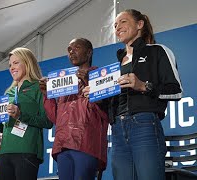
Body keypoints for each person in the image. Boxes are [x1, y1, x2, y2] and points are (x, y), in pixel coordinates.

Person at [84, 9, 183, 180]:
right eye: (115, 25)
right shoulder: (115, 66)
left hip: (144, 125)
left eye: (123, 22)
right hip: (117, 131)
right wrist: (97, 97)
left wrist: (143, 86)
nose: (117, 27)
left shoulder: (158, 51)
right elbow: (110, 105)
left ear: (139, 24)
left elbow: (176, 91)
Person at [39, 38, 109, 180]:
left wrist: (89, 82)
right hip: (63, 144)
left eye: (76, 48)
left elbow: (106, 111)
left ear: (89, 53)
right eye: (69, 50)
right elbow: (55, 117)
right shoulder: (64, 82)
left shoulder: (101, 76)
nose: (71, 52)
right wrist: (47, 94)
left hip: (86, 143)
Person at [0, 47, 53, 180]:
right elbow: (4, 126)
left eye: (16, 63)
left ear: (27, 62)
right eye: (10, 65)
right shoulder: (8, 93)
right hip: (4, 152)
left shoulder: (39, 87)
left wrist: (20, 115)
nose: (12, 68)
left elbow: (48, 122)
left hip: (27, 150)